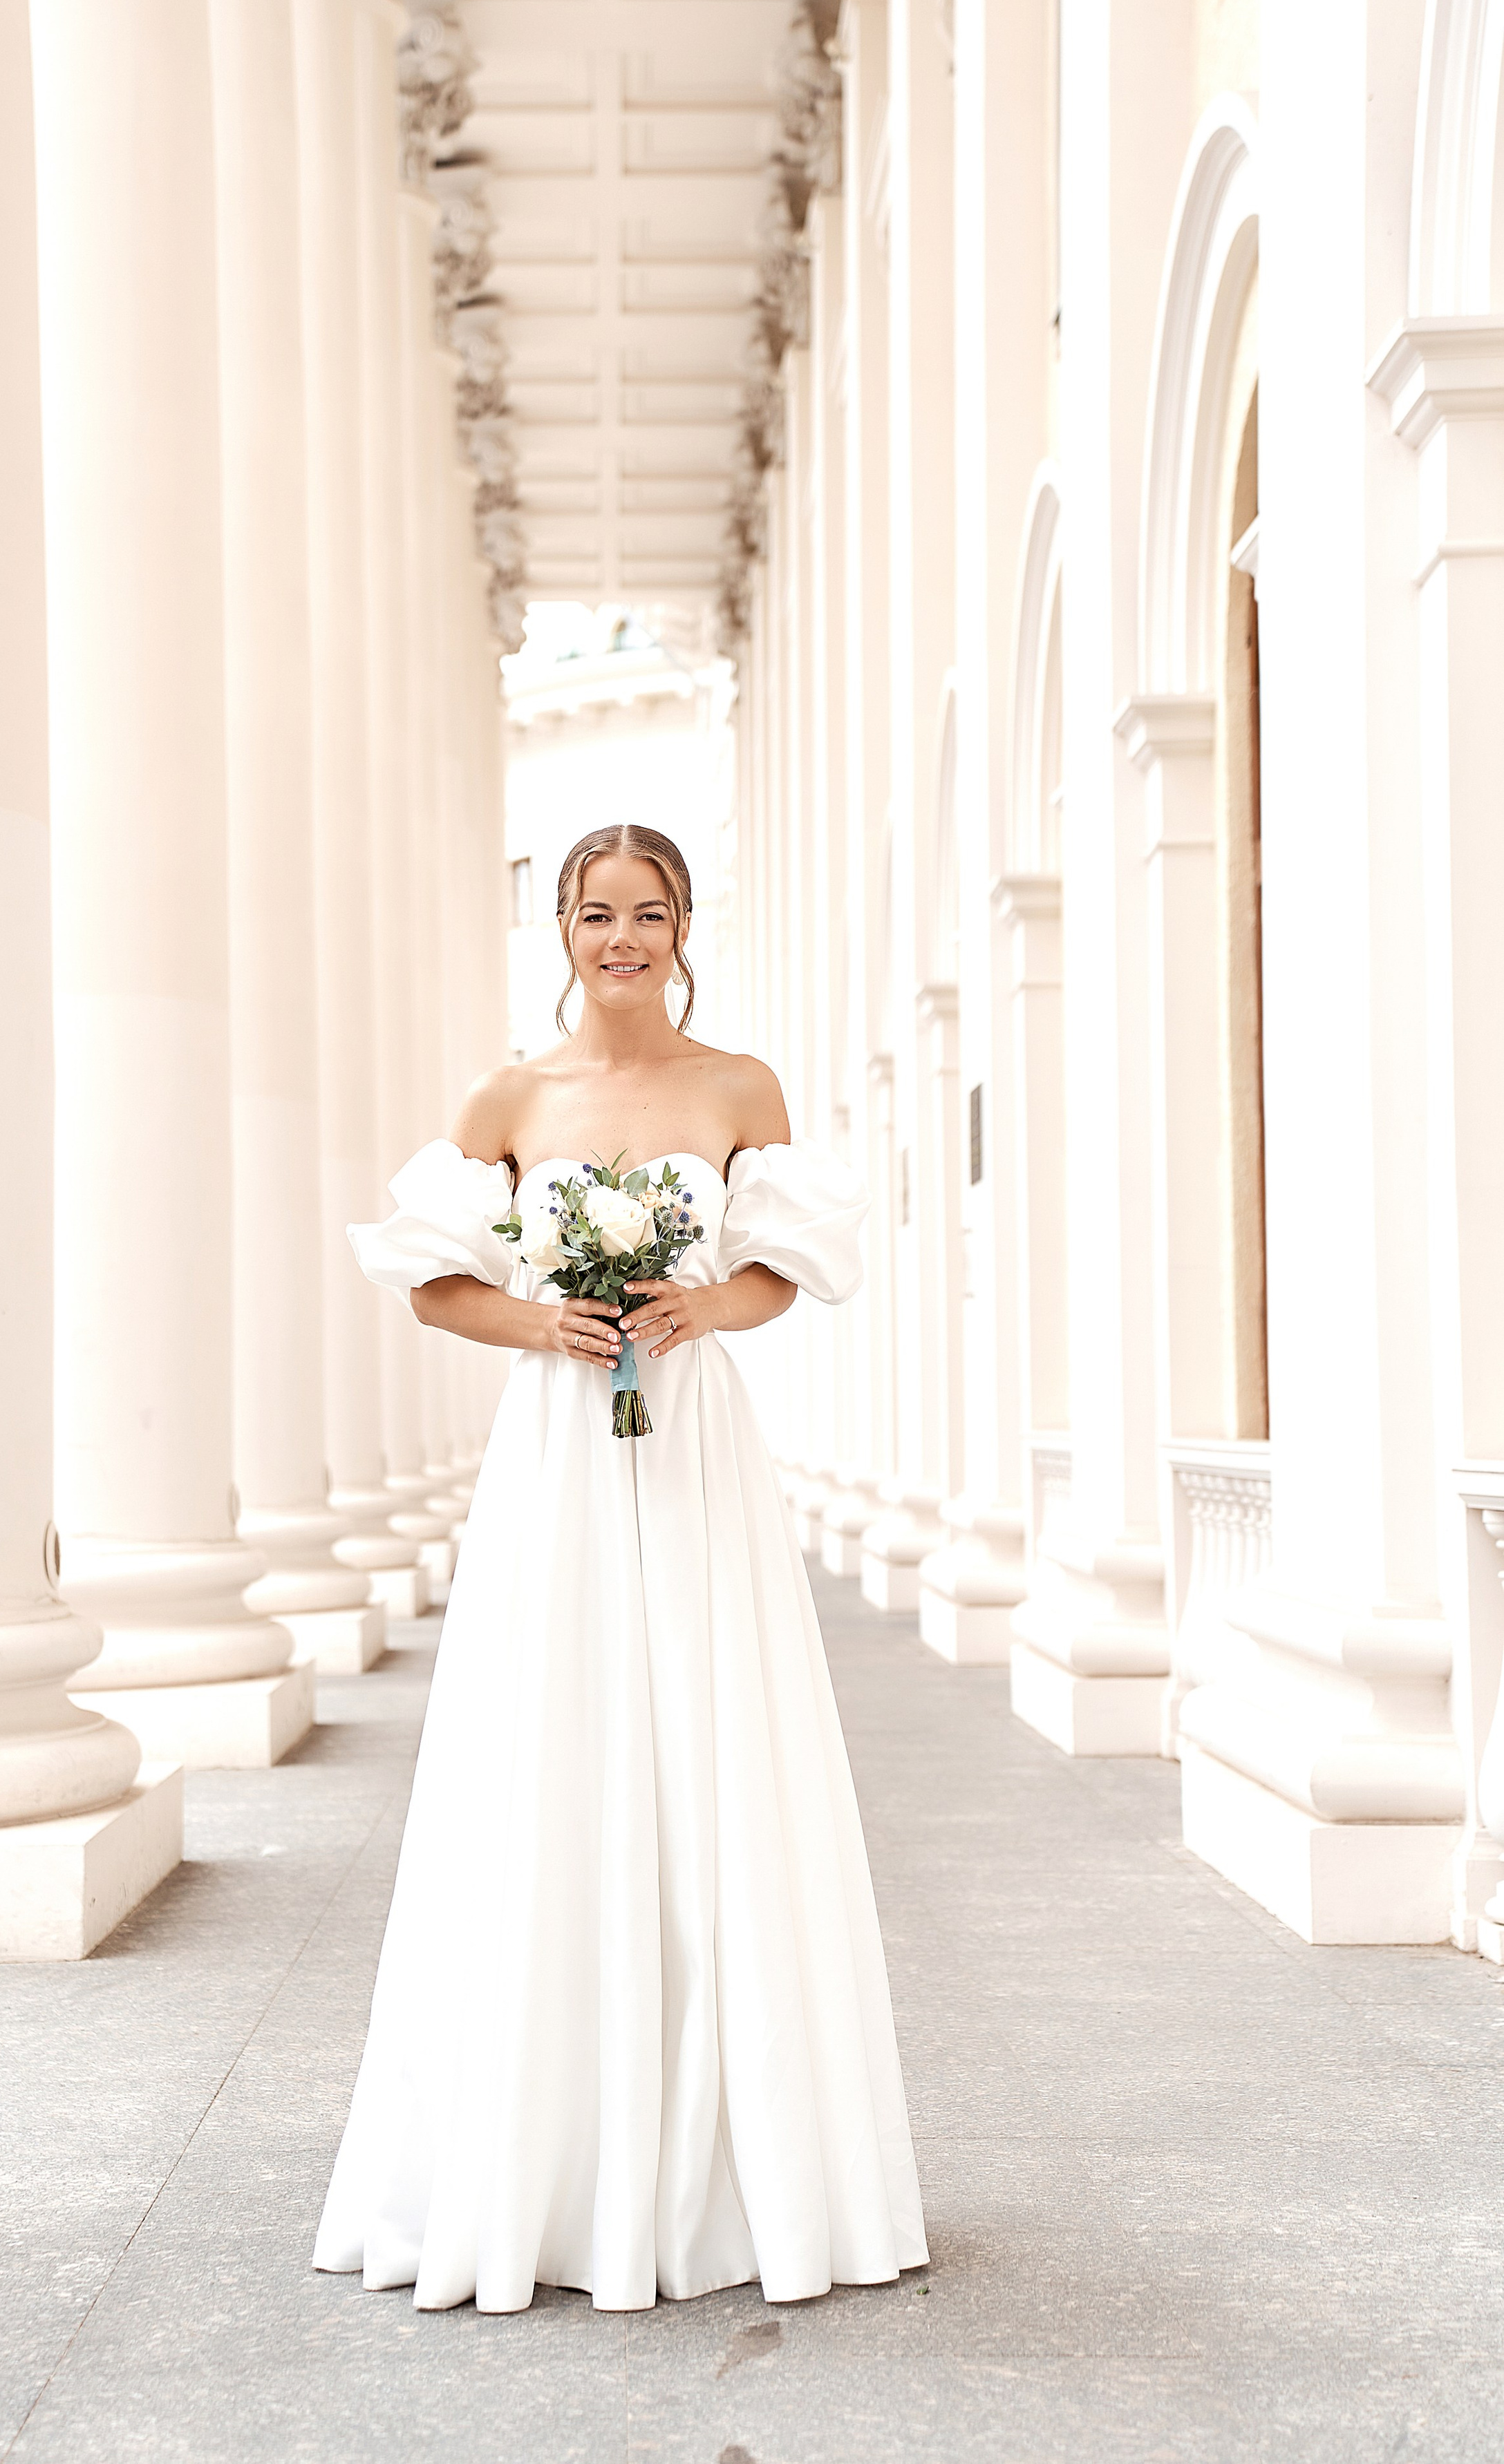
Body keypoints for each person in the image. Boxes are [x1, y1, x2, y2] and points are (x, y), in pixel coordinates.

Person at [313, 822, 926, 2313]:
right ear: (564, 932)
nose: (623, 939)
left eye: (649, 914)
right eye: (597, 915)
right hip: (558, 1457)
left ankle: (737, 2159)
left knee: (713, 1749)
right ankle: (546, 2162)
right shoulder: (509, 1098)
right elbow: (432, 1284)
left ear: (685, 927)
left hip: (691, 1442)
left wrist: (702, 1306)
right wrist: (549, 1322)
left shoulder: (739, 1088)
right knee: (555, 1742)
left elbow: (786, 1271)